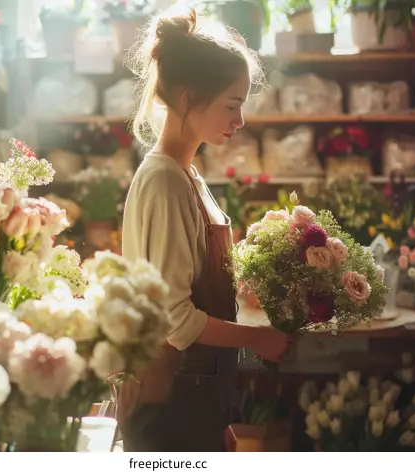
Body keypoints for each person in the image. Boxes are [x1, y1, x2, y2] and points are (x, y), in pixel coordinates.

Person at [118, 5, 293, 452]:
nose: (240, 121)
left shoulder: (186, 174)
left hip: (198, 398)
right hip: (171, 406)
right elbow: (176, 321)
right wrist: (260, 340)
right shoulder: (164, 181)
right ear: (186, 98)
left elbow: (195, 287)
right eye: (231, 106)